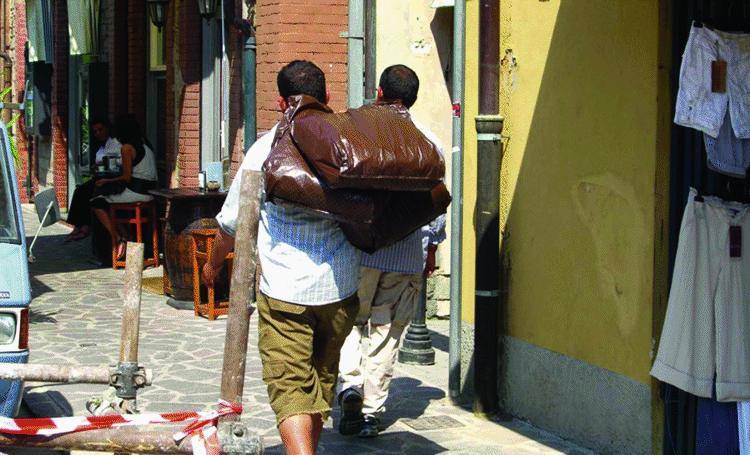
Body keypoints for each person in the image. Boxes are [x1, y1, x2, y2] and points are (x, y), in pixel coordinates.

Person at [205, 60, 361, 455]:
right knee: (321, 380)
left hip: (287, 290)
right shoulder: (348, 142)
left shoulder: (265, 148)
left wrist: (211, 266)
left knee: (290, 385)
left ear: (280, 102)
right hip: (341, 287)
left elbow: (231, 224)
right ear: (327, 98)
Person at [336, 64, 447, 438]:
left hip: (360, 252)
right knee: (385, 332)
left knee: (351, 321)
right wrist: (431, 247)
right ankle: (371, 411)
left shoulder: (360, 135)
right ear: (412, 100)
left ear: (380, 94)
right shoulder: (428, 140)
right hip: (405, 256)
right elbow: (436, 203)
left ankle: (349, 385)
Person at [90, 114, 158, 259]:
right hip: (150, 192)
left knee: (97, 201)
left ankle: (117, 237)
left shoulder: (127, 148)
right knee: (108, 197)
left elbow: (126, 177)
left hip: (138, 192)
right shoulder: (146, 145)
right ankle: (125, 234)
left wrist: (106, 181)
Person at [64, 118, 121, 242]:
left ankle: (84, 227)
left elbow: (113, 165)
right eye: (95, 131)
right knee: (80, 191)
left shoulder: (115, 144)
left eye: (100, 130)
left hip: (109, 179)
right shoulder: (101, 147)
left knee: (87, 193)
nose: (98, 133)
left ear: (107, 129)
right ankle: (79, 226)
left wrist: (100, 168)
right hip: (99, 176)